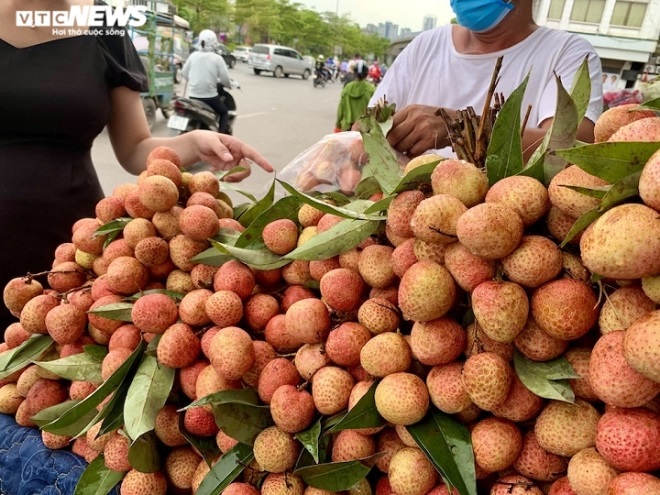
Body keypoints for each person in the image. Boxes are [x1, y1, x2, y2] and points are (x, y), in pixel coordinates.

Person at [0, 0, 273, 336]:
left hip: (77, 244)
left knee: (55, 365)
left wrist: (194, 142)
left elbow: (133, 148)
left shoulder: (102, 25)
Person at [370, 0, 604, 159]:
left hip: (502, 222)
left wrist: (462, 127)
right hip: (409, 219)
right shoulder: (427, 44)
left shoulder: (568, 53)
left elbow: (570, 149)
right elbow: (368, 124)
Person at [183, 29, 232, 134]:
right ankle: (221, 137)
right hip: (210, 98)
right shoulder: (217, 58)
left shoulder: (193, 56)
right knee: (224, 113)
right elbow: (224, 79)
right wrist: (229, 85)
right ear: (214, 43)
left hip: (193, 96)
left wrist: (193, 81)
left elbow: (185, 73)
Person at [335, 61, 376, 132]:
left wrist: (338, 125)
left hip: (347, 128)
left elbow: (340, 109)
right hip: (364, 130)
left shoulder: (347, 87)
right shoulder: (371, 89)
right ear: (366, 74)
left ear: (354, 73)